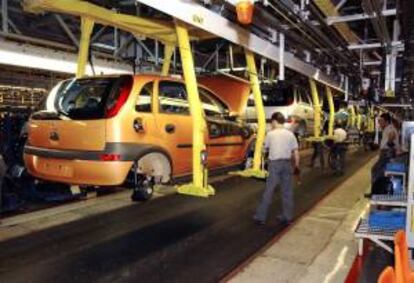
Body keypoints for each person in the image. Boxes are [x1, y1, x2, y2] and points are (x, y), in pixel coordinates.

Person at [254, 112, 300, 226]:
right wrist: (297, 166)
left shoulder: (270, 134)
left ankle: (261, 217)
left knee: (269, 190)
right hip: (287, 164)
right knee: (287, 191)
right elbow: (296, 152)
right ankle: (287, 216)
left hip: (274, 164)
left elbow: (265, 148)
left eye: (271, 123)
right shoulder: (290, 134)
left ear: (274, 121)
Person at [371, 113, 399, 187]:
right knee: (381, 171)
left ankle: (376, 190)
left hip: (387, 153)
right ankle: (379, 189)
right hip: (386, 152)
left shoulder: (389, 128)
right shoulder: (387, 128)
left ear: (386, 121)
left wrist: (390, 145)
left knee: (375, 170)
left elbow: (392, 135)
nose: (380, 123)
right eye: (379, 121)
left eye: (381, 121)